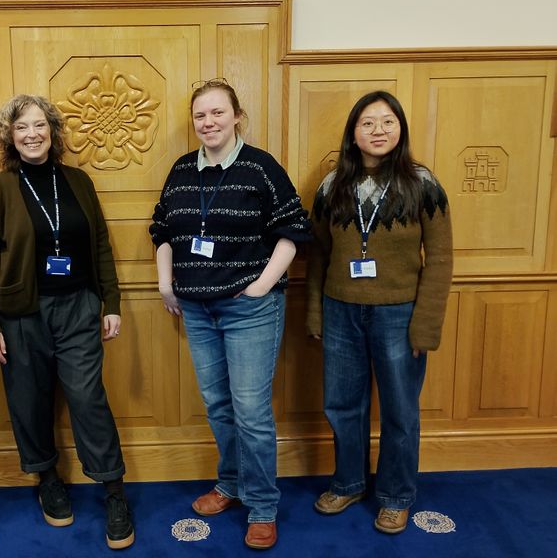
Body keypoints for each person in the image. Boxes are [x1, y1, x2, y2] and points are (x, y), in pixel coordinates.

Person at [150, 78, 310, 550]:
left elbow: (293, 231)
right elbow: (161, 229)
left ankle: (262, 505)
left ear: (236, 115)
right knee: (220, 406)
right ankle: (232, 483)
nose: (208, 122)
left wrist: (260, 286)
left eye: (217, 113)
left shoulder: (261, 167)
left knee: (252, 411)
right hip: (197, 309)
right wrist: (165, 281)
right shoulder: (181, 170)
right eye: (200, 115)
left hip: (249, 310)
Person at [0, 94, 134, 550]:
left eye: (39, 125)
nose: (31, 134)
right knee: (29, 400)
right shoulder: (0, 189)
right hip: (22, 313)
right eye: (21, 126)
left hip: (79, 308)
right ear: (10, 136)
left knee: (88, 399)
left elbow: (100, 243)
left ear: (53, 131)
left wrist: (112, 301)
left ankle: (113, 491)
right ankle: (46, 478)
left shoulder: (78, 181)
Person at [306, 90, 453, 534]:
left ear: (401, 129)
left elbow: (441, 258)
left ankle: (395, 495)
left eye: (388, 122)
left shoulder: (422, 184)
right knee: (342, 406)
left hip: (400, 316)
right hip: (341, 313)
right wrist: (315, 313)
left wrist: (425, 325)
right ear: (353, 132)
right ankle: (348, 483)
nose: (378, 131)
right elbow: (317, 255)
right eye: (368, 123)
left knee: (400, 410)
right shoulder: (332, 185)